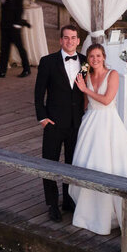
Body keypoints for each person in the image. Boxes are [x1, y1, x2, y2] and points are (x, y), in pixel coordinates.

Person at [68, 43, 127, 235]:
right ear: (88, 59)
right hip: (91, 121)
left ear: (104, 57)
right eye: (91, 57)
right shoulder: (87, 74)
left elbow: (106, 99)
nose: (95, 59)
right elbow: (86, 103)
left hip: (108, 121)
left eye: (98, 56)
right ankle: (88, 212)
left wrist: (84, 89)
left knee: (109, 163)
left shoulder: (112, 74)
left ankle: (113, 212)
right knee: (87, 163)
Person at [33, 24, 86, 221]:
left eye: (73, 38)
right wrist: (43, 118)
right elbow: (39, 94)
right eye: (66, 38)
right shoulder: (47, 62)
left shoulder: (85, 62)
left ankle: (68, 199)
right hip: (53, 122)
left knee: (71, 164)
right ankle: (52, 204)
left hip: (76, 123)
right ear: (60, 40)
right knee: (50, 163)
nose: (69, 41)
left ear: (78, 41)